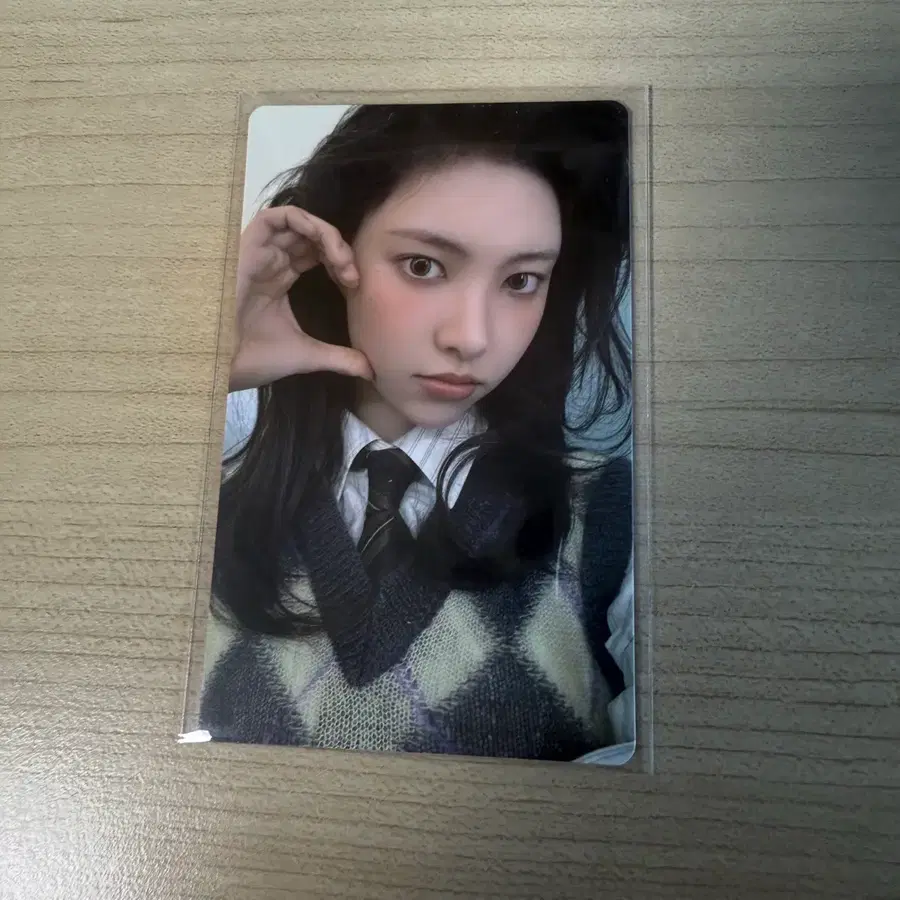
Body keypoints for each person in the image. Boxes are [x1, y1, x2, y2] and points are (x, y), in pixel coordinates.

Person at [198, 102, 635, 762]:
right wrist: (199, 363)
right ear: (331, 257)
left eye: (521, 281)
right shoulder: (193, 504)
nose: (472, 337)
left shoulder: (613, 521)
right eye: (423, 266)